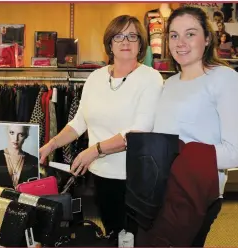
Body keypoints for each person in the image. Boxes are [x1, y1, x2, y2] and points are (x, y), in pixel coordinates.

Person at [39, 15, 163, 237]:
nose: (125, 42)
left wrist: (94, 151)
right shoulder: (95, 78)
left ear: (141, 44)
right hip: (102, 175)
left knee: (135, 237)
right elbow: (79, 123)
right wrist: (51, 144)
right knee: (112, 233)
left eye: (132, 36)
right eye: (119, 36)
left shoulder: (151, 78)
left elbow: (138, 131)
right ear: (110, 43)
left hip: (135, 177)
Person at [151, 6, 238, 246]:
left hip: (197, 190)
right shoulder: (169, 84)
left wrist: (178, 155)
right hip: (164, 187)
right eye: (174, 35)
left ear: (207, 38)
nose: (180, 42)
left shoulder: (224, 79)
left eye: (190, 33)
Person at [0, 124, 39, 188]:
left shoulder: (34, 160)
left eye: (21, 134)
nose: (15, 138)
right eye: (12, 133)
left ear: (26, 136)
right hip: (1, 197)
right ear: (7, 132)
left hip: (24, 197)